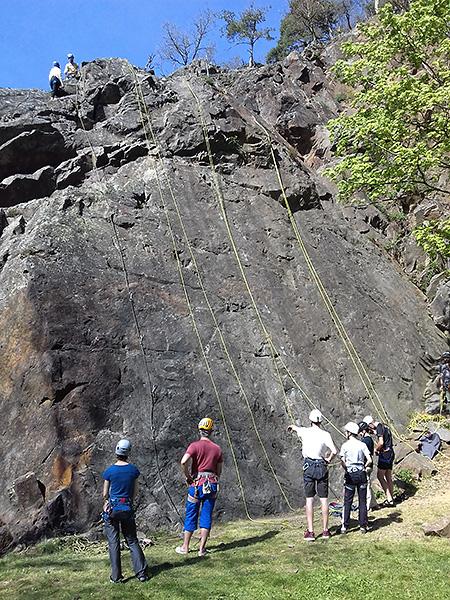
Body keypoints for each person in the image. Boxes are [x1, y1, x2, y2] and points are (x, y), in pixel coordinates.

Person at [286, 409, 337, 541]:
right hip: (321, 465)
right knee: (324, 499)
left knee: (309, 499)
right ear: (320, 421)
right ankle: (326, 530)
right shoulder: (325, 434)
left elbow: (295, 428)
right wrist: (328, 460)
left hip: (309, 466)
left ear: (310, 420)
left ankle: (311, 531)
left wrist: (291, 427)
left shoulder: (305, 431)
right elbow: (335, 451)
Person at [102, 439, 148, 583]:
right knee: (132, 540)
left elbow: (105, 493)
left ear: (116, 451)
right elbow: (135, 492)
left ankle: (116, 577)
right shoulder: (133, 470)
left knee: (113, 542)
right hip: (127, 508)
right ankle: (141, 573)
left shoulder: (109, 471)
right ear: (128, 452)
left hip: (113, 510)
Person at [176, 418, 223, 557]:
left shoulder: (194, 446)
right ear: (211, 432)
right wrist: (215, 479)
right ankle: (202, 549)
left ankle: (185, 547)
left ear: (200, 430)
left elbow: (184, 461)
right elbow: (219, 470)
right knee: (206, 515)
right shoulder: (217, 449)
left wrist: (187, 476)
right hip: (211, 483)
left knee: (191, 513)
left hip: (197, 483)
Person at [339, 422, 372, 534]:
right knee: (362, 500)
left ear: (348, 433)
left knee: (347, 500)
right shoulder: (362, 445)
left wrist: (346, 468)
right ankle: (363, 526)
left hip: (350, 474)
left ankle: (344, 526)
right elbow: (370, 460)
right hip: (361, 473)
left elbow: (342, 461)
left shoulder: (345, 446)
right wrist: (363, 466)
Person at [363, 415, 395, 506]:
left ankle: (389, 498)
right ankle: (391, 498)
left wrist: (376, 450)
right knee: (388, 477)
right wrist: (375, 432)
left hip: (384, 454)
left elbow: (381, 442)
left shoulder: (380, 428)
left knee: (380, 476)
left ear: (371, 424)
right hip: (390, 452)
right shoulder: (384, 426)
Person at [358, 421, 378, 511]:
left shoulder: (365, 441)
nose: (359, 434)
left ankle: (367, 505)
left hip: (366, 464)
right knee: (367, 484)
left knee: (366, 485)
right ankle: (374, 504)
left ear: (363, 431)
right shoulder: (368, 439)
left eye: (360, 432)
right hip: (369, 464)